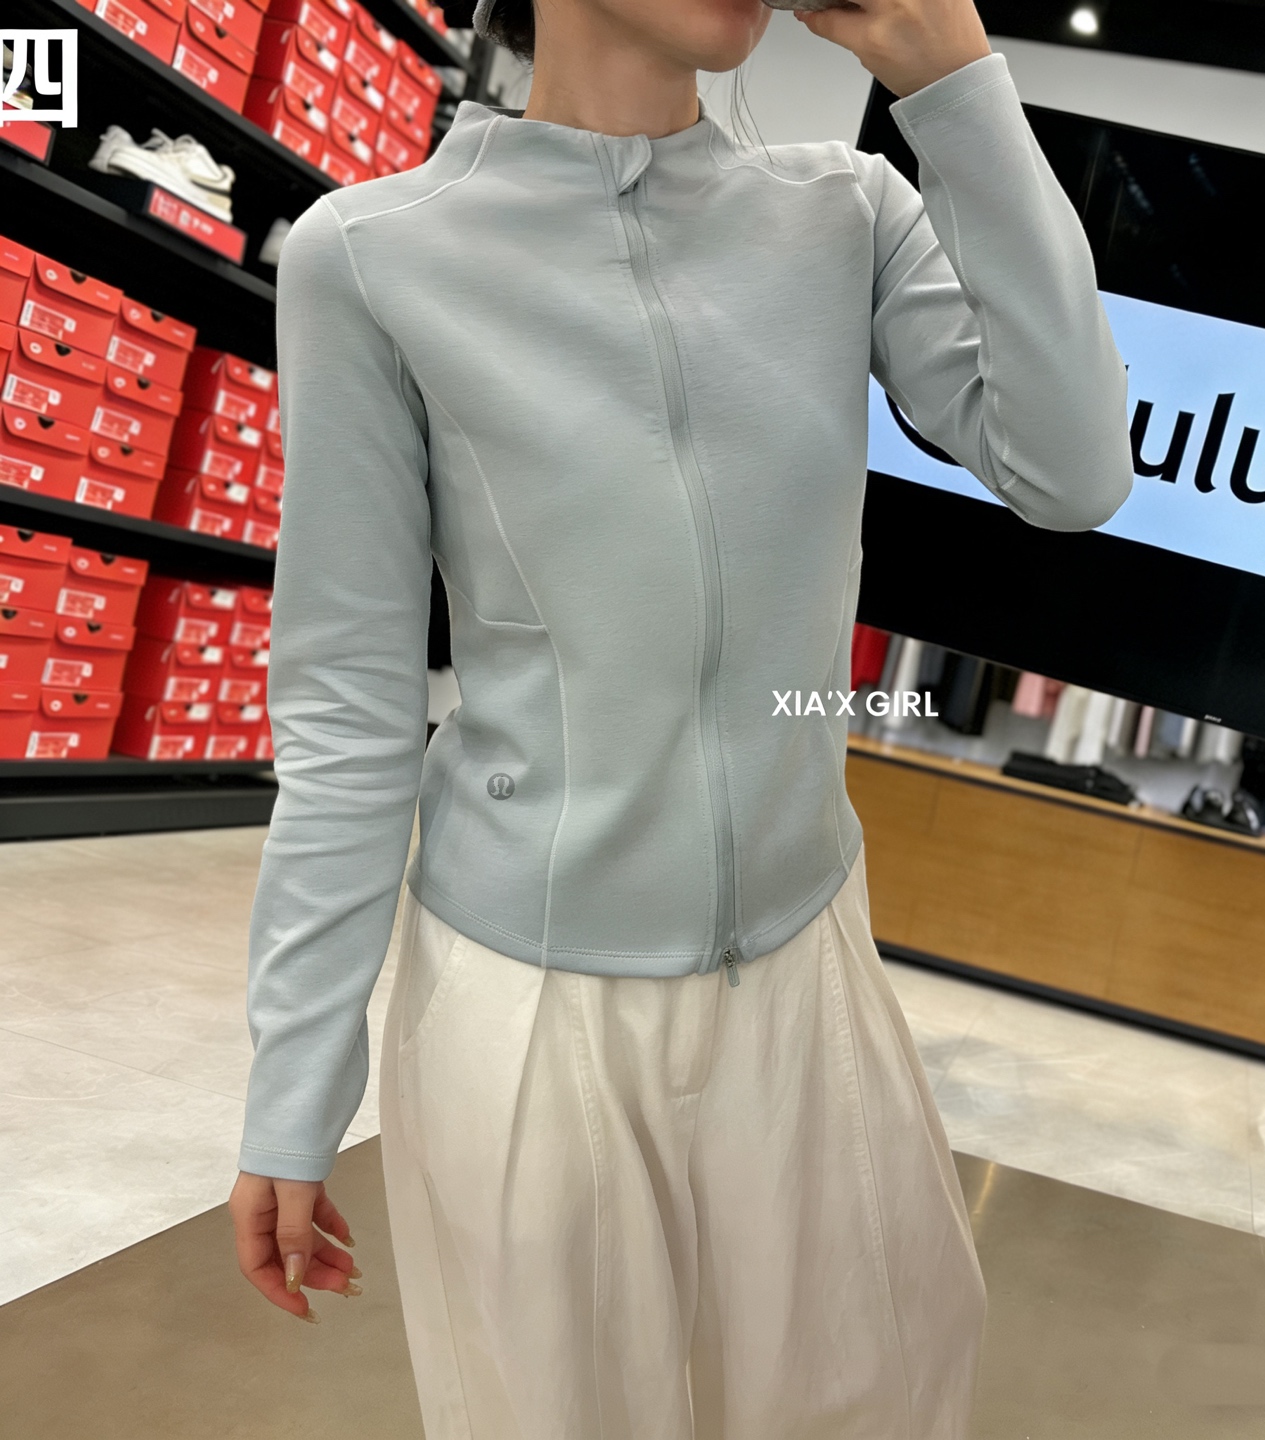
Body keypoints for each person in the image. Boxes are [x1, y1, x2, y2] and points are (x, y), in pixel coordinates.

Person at [229, 0, 1133, 1432]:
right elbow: (348, 704)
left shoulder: (846, 214)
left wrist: (954, 79)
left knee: (888, 1399)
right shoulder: (376, 254)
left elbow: (1074, 469)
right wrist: (297, 1086)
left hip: (807, 967)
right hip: (528, 1008)